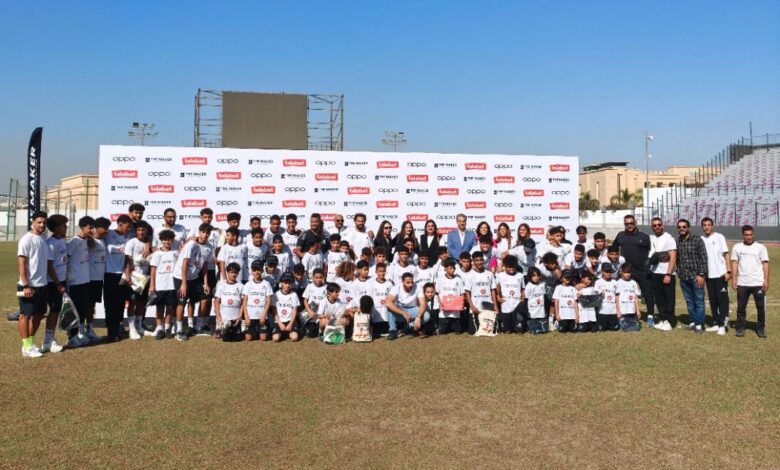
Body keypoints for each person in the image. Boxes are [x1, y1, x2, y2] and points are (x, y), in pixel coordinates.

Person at [17, 211, 50, 358]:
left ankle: (30, 344)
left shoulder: (43, 238)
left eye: (44, 222)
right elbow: (21, 264)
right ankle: (26, 346)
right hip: (29, 285)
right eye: (39, 222)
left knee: (39, 315)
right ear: (33, 222)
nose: (42, 225)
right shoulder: (26, 239)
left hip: (42, 284)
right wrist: (26, 285)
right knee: (25, 315)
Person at [173, 223, 214, 340]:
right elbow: (184, 263)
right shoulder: (191, 244)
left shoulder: (209, 246)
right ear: (199, 232)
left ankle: (198, 327)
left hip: (194, 277)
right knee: (182, 302)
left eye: (207, 233)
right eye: (203, 232)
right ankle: (179, 331)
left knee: (205, 297)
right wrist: (183, 284)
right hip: (180, 276)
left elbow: (205, 265)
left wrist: (205, 283)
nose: (205, 235)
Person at [731, 225, 769, 338]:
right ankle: (740, 328)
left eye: (750, 234)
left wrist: (766, 280)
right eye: (746, 235)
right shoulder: (737, 247)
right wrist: (734, 278)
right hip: (743, 283)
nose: (749, 237)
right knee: (741, 308)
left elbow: (765, 264)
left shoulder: (760, 247)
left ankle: (761, 328)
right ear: (743, 235)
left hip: (758, 283)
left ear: (753, 234)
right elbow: (735, 263)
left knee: (760, 308)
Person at [612, 214, 653, 321]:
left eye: (631, 223)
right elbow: (613, 249)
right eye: (627, 224)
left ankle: (650, 315)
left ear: (635, 223)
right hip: (627, 272)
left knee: (648, 294)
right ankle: (623, 314)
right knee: (623, 294)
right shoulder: (620, 235)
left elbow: (651, 251)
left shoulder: (644, 236)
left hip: (642, 271)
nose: (629, 225)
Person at [64, 216, 94, 347]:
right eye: (90, 228)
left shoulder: (87, 240)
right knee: (74, 310)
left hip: (85, 281)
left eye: (93, 228)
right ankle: (71, 337)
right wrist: (66, 278)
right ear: (82, 227)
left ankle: (78, 334)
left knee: (82, 309)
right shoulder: (74, 242)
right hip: (74, 282)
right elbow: (65, 260)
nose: (92, 230)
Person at [675, 219, 708, 334]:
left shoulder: (697, 240)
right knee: (689, 301)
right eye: (679, 227)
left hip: (696, 277)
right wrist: (678, 271)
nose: (682, 229)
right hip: (684, 277)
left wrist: (701, 274)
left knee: (698, 301)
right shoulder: (677, 241)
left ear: (688, 228)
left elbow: (703, 258)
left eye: (684, 227)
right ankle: (693, 321)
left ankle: (699, 324)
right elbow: (677, 259)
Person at [103, 214, 133, 342]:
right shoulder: (108, 234)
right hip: (109, 274)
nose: (129, 229)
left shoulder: (128, 238)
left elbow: (127, 259)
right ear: (120, 224)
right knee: (110, 305)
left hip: (122, 275)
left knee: (120, 304)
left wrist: (127, 275)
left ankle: (118, 328)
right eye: (127, 226)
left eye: (130, 227)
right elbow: (95, 234)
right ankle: (111, 331)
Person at [41, 214, 68, 352]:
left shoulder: (62, 239)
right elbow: (49, 266)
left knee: (57, 311)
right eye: (63, 226)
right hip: (53, 283)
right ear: (56, 228)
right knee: (53, 311)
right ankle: (47, 340)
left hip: (62, 281)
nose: (66, 227)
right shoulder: (50, 243)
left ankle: (51, 338)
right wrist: (58, 284)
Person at [700, 217, 731, 335]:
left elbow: (726, 254)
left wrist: (728, 271)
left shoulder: (719, 237)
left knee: (722, 300)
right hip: (708, 275)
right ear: (702, 227)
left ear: (712, 226)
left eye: (709, 225)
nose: (707, 227)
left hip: (720, 274)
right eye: (704, 225)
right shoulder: (701, 239)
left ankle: (723, 324)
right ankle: (716, 322)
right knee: (713, 300)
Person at [149, 229, 179, 339]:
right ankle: (159, 328)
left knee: (170, 308)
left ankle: (167, 328)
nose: (167, 242)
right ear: (161, 241)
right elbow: (153, 270)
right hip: (160, 285)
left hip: (172, 285)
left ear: (172, 241)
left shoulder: (176, 253)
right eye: (165, 240)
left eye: (169, 240)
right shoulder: (157, 254)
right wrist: (152, 285)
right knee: (160, 307)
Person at [648, 217, 677, 331]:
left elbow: (673, 257)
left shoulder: (669, 238)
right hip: (655, 273)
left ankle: (670, 321)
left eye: (659, 225)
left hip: (666, 273)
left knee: (669, 298)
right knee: (659, 298)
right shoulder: (652, 238)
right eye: (654, 225)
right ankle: (663, 319)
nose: (657, 227)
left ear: (663, 225)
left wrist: (668, 274)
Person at [124, 223, 152, 339]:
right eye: (139, 230)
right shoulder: (131, 242)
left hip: (144, 278)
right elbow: (127, 260)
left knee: (141, 303)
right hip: (134, 277)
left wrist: (148, 244)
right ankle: (132, 329)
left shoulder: (148, 243)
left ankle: (139, 326)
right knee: (132, 303)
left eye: (143, 230)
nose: (141, 232)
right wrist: (128, 276)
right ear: (136, 231)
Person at [85, 216, 109, 342]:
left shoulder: (103, 240)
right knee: (86, 305)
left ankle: (89, 329)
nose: (107, 230)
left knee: (92, 305)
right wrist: (89, 237)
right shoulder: (88, 240)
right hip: (88, 278)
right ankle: (80, 330)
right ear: (96, 228)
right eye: (105, 228)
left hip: (99, 279)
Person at [386, 272, 428, 339]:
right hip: (401, 308)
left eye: (412, 282)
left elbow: (423, 304)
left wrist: (418, 317)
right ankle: (393, 330)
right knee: (390, 308)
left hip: (413, 309)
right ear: (402, 282)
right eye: (408, 282)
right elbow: (388, 303)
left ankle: (408, 327)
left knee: (427, 315)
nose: (410, 284)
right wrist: (403, 313)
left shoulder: (417, 287)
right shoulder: (396, 287)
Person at [464, 251, 497, 334]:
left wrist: (495, 305)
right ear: (473, 262)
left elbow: (493, 290)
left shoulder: (490, 274)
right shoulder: (469, 275)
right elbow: (467, 292)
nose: (479, 262)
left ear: (483, 260)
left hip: (488, 307)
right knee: (473, 332)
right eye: (477, 260)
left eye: (481, 260)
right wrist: (472, 306)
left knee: (488, 331)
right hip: (476, 306)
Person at [242, 259, 273, 341]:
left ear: (262, 271)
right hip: (250, 315)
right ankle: (255, 331)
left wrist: (264, 314)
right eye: (254, 270)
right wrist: (246, 316)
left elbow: (269, 300)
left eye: (258, 270)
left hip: (262, 316)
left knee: (263, 338)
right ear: (252, 271)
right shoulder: (248, 284)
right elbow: (244, 301)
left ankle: (261, 330)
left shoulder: (266, 284)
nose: (256, 272)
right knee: (248, 338)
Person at [495, 255, 524, 333]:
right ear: (505, 266)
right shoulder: (500, 275)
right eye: (509, 267)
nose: (512, 269)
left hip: (517, 302)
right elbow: (497, 287)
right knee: (507, 331)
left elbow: (522, 288)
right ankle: (507, 327)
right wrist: (498, 297)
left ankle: (517, 326)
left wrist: (522, 298)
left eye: (513, 267)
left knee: (518, 330)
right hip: (505, 302)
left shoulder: (520, 275)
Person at [214, 262, 243, 340]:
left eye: (235, 272)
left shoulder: (241, 286)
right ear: (227, 273)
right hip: (224, 319)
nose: (234, 274)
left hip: (235, 319)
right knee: (224, 338)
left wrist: (239, 317)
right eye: (231, 272)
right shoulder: (222, 285)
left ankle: (233, 329)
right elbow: (216, 302)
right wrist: (218, 317)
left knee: (238, 339)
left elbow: (243, 303)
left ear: (238, 273)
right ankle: (220, 329)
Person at [437, 258, 465, 335]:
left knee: (458, 331)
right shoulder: (440, 279)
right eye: (450, 268)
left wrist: (462, 303)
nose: (452, 270)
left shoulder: (458, 279)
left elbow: (462, 293)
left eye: (453, 268)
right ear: (445, 269)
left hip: (455, 311)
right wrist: (440, 302)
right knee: (442, 332)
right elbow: (437, 293)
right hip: (444, 310)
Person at [271, 273, 301, 342]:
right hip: (279, 321)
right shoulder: (276, 294)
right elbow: (274, 311)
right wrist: (280, 324)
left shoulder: (294, 295)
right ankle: (282, 333)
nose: (288, 285)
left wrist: (290, 324)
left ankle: (288, 332)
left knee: (295, 338)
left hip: (290, 321)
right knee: (275, 338)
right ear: (281, 283)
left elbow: (294, 310)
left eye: (289, 283)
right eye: (285, 283)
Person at [369, 262, 393, 337]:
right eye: (380, 271)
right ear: (376, 272)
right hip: (376, 310)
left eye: (383, 271)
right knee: (377, 327)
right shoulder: (372, 284)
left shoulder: (389, 284)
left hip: (386, 309)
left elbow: (392, 297)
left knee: (386, 326)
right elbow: (370, 297)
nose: (382, 273)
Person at [302, 268, 327, 337]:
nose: (319, 279)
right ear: (313, 278)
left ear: (323, 277)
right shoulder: (309, 286)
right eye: (316, 277)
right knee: (310, 335)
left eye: (320, 277)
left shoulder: (326, 287)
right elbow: (305, 300)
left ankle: (321, 329)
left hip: (321, 315)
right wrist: (309, 310)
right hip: (312, 314)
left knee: (322, 328)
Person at [524, 267, 549, 334]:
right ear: (530, 276)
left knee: (544, 331)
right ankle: (530, 327)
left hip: (541, 311)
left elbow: (545, 296)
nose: (536, 277)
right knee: (535, 331)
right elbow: (526, 299)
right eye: (534, 276)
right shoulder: (528, 286)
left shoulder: (542, 284)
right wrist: (527, 311)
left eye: (538, 276)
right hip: (532, 312)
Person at [594, 263, 619, 331]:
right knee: (602, 329)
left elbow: (617, 296)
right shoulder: (598, 282)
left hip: (613, 311)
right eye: (606, 271)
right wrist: (599, 293)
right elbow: (595, 295)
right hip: (602, 311)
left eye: (610, 271)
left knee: (614, 328)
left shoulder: (615, 282)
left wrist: (618, 310)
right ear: (602, 271)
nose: (608, 273)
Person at [616, 264, 641, 331]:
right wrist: (618, 311)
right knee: (624, 327)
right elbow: (617, 298)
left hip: (631, 310)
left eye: (629, 272)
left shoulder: (634, 282)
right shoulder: (618, 282)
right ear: (621, 272)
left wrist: (637, 310)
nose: (627, 274)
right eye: (625, 272)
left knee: (636, 328)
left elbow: (636, 297)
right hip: (623, 311)